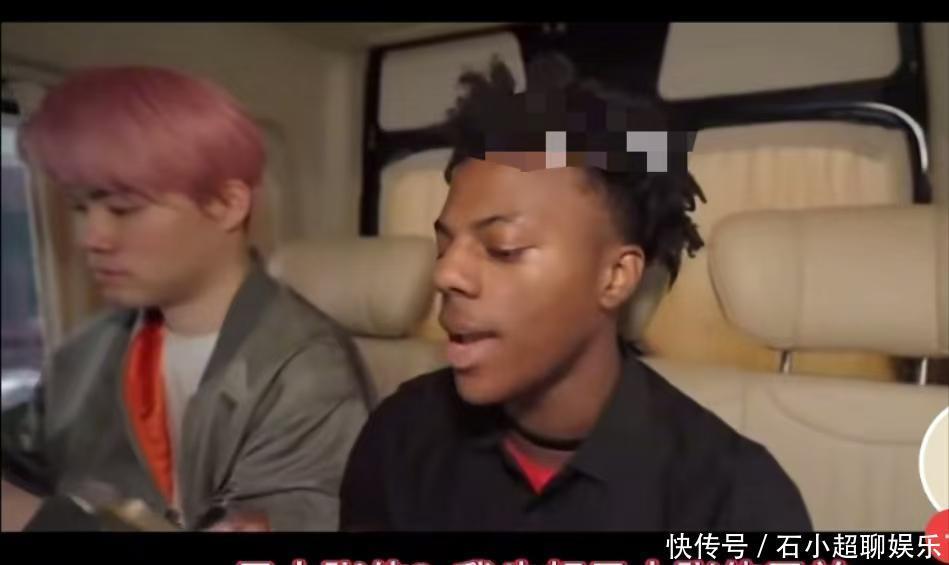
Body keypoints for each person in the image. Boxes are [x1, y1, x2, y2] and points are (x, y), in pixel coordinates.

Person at [340, 54, 811, 531]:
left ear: (615, 277)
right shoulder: (400, 436)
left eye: (503, 248)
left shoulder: (734, 500)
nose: (446, 274)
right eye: (444, 246)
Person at [1, 66, 373, 531]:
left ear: (227, 205)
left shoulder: (306, 372)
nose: (91, 237)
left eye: (123, 209)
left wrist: (36, 519)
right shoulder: (84, 351)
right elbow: (22, 454)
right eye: (80, 207)